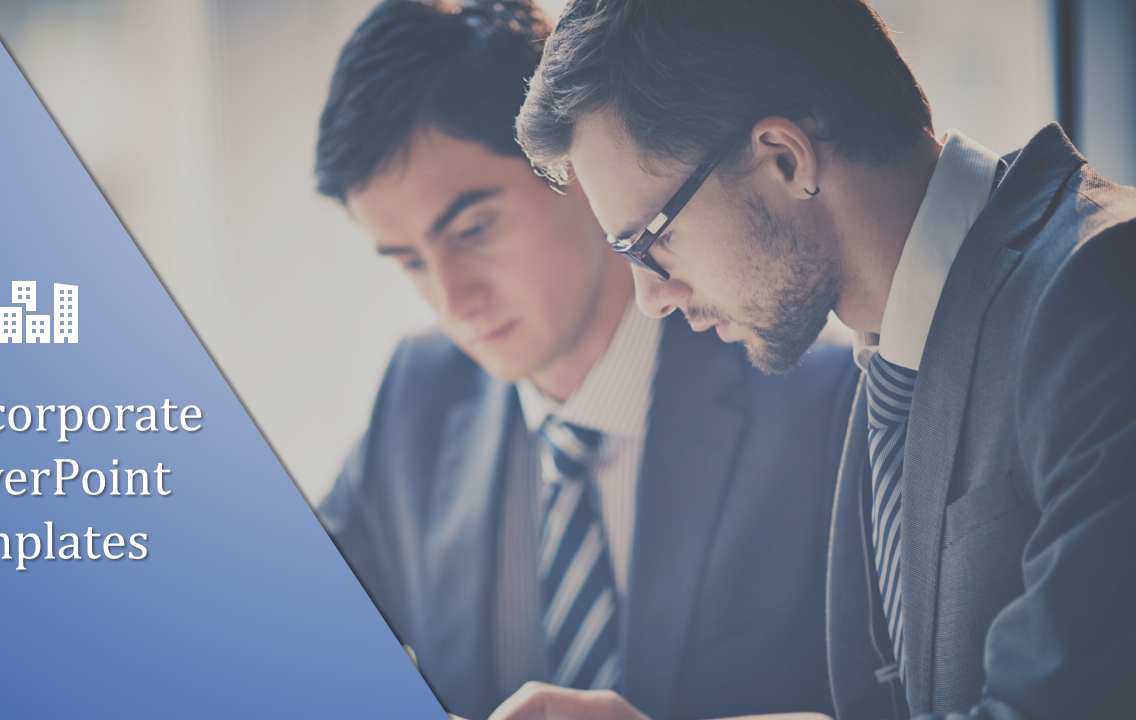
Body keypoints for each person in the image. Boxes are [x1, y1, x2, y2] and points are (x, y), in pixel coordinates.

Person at [510, 0, 1136, 719]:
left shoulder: (1106, 292)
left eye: (651, 245)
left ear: (785, 158)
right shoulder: (894, 357)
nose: (651, 298)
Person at [313, 2, 859, 719]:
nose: (454, 301)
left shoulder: (821, 401)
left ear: (573, 167)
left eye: (474, 230)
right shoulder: (418, 393)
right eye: (410, 261)